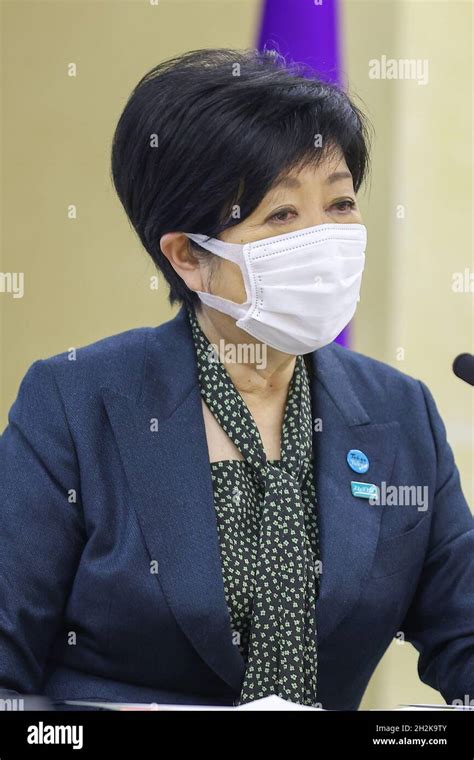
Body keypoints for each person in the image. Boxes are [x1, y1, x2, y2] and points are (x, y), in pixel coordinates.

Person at [0, 48, 472, 711]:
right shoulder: (76, 405)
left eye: (340, 204)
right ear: (189, 256)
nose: (325, 241)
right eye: (283, 216)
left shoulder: (400, 412)